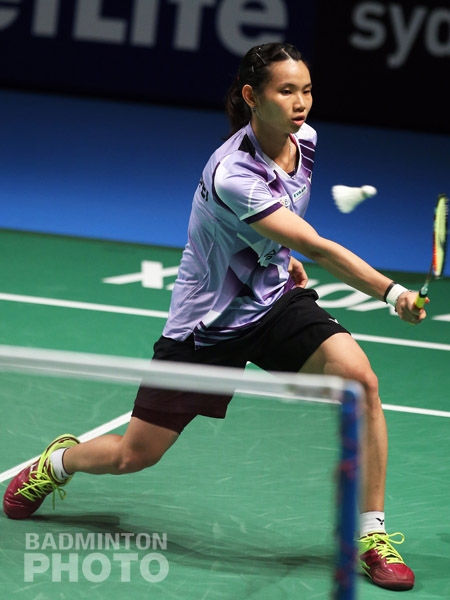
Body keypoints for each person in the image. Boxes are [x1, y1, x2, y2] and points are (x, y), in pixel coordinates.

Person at [3, 42, 425, 591]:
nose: (301, 103)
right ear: (252, 96)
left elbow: (283, 224)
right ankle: (58, 463)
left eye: (306, 90)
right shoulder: (233, 172)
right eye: (286, 91)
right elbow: (317, 245)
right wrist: (392, 293)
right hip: (206, 326)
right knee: (135, 455)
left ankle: (371, 536)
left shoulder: (305, 142)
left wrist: (279, 254)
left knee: (361, 382)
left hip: (272, 302)